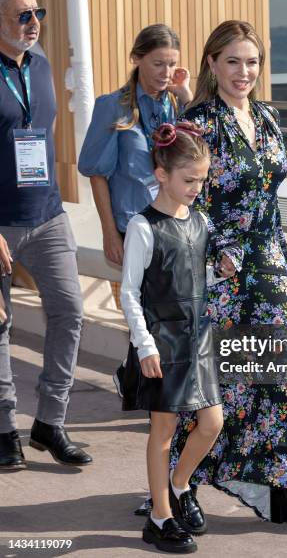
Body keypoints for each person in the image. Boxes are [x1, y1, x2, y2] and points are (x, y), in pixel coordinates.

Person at [169, 20, 287, 531]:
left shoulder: (268, 116)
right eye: (233, 61)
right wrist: (217, 250)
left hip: (268, 270)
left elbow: (269, 197)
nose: (244, 71)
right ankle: (180, 482)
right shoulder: (199, 121)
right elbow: (186, 199)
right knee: (217, 383)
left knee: (279, 378)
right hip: (219, 273)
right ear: (212, 63)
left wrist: (277, 256)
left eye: (253, 62)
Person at [120, 122, 241, 553]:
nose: (196, 188)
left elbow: (190, 275)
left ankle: (179, 483)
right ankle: (159, 517)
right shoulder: (142, 226)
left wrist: (217, 271)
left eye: (202, 180)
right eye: (189, 180)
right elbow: (129, 291)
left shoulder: (201, 221)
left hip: (198, 338)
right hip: (163, 342)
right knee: (164, 430)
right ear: (161, 175)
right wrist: (145, 345)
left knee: (213, 422)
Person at [0, 0, 91, 468]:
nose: (35, 23)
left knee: (70, 311)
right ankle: (2, 428)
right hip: (1, 223)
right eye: (23, 16)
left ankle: (50, 422)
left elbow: (44, 132)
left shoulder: (42, 66)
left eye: (39, 13)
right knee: (1, 325)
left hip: (48, 215)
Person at [78, 23, 192, 398]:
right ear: (137, 58)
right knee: (144, 315)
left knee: (170, 315)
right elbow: (96, 174)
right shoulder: (113, 107)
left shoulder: (176, 103)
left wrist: (187, 98)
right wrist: (110, 234)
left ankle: (136, 380)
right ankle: (154, 394)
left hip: (174, 225)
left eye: (171, 64)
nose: (164, 72)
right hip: (131, 226)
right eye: (158, 63)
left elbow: (193, 161)